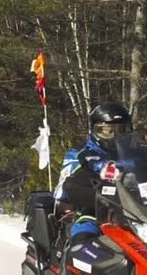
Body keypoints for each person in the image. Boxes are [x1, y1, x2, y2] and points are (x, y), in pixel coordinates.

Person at [54, 102, 133, 240]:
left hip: (138, 215)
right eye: (108, 131)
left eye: (121, 131)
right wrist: (93, 194)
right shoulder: (79, 156)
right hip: (93, 213)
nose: (115, 137)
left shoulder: (137, 156)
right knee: (84, 238)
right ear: (96, 131)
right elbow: (63, 191)